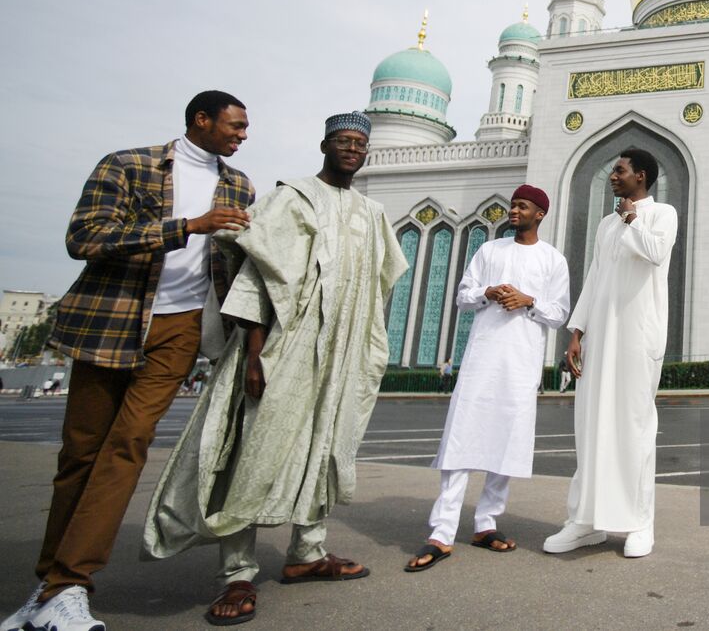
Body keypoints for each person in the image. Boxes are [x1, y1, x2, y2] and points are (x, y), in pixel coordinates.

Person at [140, 112, 407, 627]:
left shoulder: (371, 213)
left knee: (325, 448)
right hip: (285, 348)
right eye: (342, 141)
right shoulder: (295, 197)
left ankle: (307, 553)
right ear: (325, 145)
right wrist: (257, 354)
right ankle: (237, 573)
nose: (352, 149)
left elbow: (379, 287)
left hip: (340, 355)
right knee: (255, 452)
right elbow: (256, 274)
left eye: (359, 143)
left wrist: (368, 352)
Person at [2, 91, 252, 631]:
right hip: (111, 317)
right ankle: (48, 589)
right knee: (80, 454)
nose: (242, 135)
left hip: (181, 327)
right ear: (200, 120)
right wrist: (186, 226)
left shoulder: (238, 184)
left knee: (128, 445)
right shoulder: (128, 164)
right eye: (234, 125)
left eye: (245, 127)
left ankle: (69, 584)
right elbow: (85, 237)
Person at [405, 185, 570, 571]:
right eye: (513, 205)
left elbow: (559, 312)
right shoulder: (489, 251)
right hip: (482, 357)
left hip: (521, 362)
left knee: (505, 442)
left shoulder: (552, 259)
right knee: (462, 438)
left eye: (522, 206)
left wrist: (527, 300)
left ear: (540, 214)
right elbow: (463, 296)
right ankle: (441, 532)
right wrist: (489, 291)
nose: (514, 210)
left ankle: (485, 523)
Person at [543, 148, 677, 559]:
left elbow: (655, 253)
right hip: (601, 337)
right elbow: (595, 279)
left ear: (641, 176)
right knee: (591, 425)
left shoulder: (661, 215)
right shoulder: (606, 225)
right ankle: (585, 521)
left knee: (634, 428)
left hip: (638, 337)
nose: (613, 176)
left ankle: (639, 523)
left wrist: (632, 218)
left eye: (619, 171)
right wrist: (577, 333)